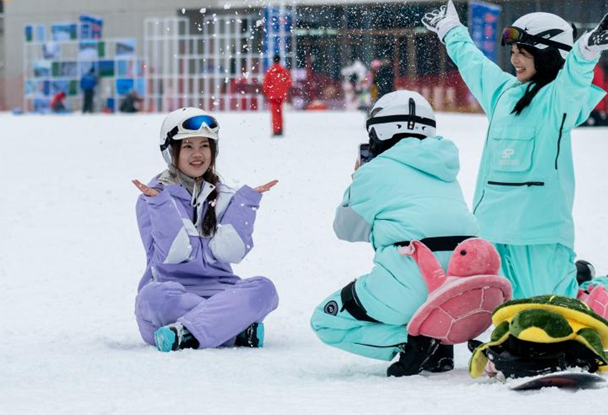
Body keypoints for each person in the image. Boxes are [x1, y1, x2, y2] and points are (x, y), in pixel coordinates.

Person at [422, 2, 608, 323]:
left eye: (524, 52)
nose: (514, 59)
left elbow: (574, 81)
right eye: (514, 51)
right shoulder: (502, 93)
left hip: (541, 231)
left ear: (550, 55)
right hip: (493, 226)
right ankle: (573, 278)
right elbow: (473, 64)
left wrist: (584, 53)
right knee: (505, 312)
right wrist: (451, 31)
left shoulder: (557, 103)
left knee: (559, 317)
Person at [311, 90, 479, 376]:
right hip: (461, 287)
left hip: (410, 283)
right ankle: (437, 342)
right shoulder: (445, 171)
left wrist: (356, 184)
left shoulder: (375, 171)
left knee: (326, 320)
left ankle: (410, 343)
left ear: (378, 130)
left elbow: (347, 229)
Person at [132, 107, 279, 352]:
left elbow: (231, 252)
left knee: (264, 289)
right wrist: (160, 204)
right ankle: (231, 329)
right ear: (171, 152)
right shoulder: (151, 199)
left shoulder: (225, 196)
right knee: (153, 297)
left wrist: (245, 203)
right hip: (172, 298)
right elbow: (172, 254)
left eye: (205, 146)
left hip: (221, 294)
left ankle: (187, 333)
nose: (198, 154)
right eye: (188, 146)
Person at [262, 55, 292, 136]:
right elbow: (289, 82)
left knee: (274, 113)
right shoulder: (284, 71)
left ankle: (276, 130)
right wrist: (283, 89)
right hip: (281, 95)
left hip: (272, 96)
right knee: (280, 113)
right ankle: (280, 129)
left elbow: (265, 84)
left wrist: (267, 92)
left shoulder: (270, 71)